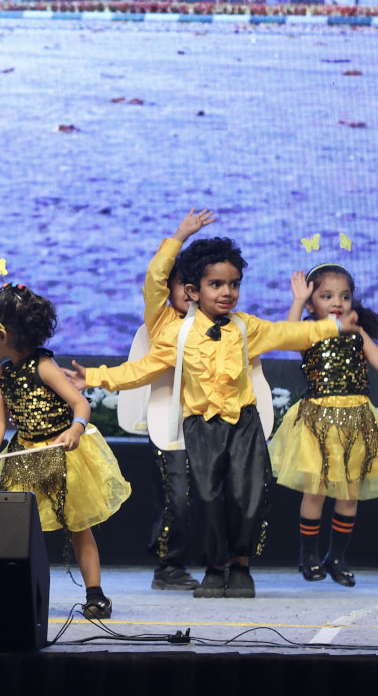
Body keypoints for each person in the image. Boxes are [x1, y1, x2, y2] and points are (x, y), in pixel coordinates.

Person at [67, 235, 351, 598]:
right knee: (208, 500)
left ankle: (241, 566)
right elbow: (141, 369)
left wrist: (333, 326)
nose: (227, 292)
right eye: (216, 284)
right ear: (193, 291)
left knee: (248, 497)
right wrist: (92, 377)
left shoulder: (246, 327)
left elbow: (287, 334)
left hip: (244, 425)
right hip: (201, 428)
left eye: (234, 284)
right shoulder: (178, 333)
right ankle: (216, 568)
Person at [0, 282, 131, 620]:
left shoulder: (44, 366)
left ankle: (95, 594)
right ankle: (15, 590)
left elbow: (80, 403)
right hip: (24, 457)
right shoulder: (3, 374)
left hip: (61, 456)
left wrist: (75, 429)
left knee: (77, 527)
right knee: (16, 526)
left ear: (3, 335)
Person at [272, 263, 378, 586]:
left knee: (350, 494)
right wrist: (297, 301)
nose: (337, 302)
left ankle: (336, 558)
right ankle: (309, 556)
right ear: (312, 304)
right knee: (315, 491)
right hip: (318, 421)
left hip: (357, 421)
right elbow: (287, 337)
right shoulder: (310, 331)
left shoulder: (357, 333)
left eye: (344, 296)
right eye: (326, 296)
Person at [129, 209, 216, 591]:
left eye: (194, 285)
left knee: (209, 498)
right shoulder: (162, 321)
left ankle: (218, 565)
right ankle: (169, 566)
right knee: (177, 498)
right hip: (169, 426)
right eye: (180, 282)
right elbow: (153, 279)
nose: (187, 291)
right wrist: (180, 236)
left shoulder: (216, 325)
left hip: (210, 425)